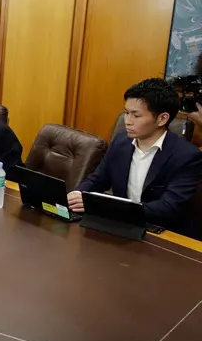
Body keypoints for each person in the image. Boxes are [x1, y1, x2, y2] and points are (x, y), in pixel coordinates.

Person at [68, 78, 202, 236]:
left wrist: (105, 207)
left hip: (159, 234)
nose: (127, 121)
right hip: (119, 227)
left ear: (162, 118)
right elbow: (98, 179)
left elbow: (168, 208)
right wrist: (78, 193)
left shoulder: (187, 156)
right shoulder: (121, 142)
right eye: (126, 113)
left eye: (136, 116)